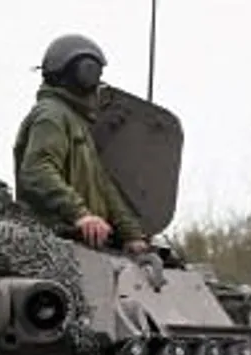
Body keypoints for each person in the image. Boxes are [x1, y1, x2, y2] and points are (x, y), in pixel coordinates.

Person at [13, 34, 163, 277]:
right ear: (83, 73)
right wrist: (81, 215)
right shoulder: (51, 116)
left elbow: (103, 187)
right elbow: (37, 170)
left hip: (85, 248)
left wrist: (131, 234)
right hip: (53, 248)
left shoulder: (76, 122)